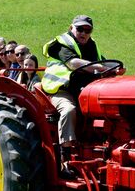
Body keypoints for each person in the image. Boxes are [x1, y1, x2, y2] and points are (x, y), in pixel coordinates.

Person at [41, 15, 106, 177]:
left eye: (87, 30)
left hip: (83, 90)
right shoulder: (62, 43)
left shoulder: (92, 46)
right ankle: (65, 159)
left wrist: (116, 68)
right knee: (69, 110)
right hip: (59, 89)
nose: (83, 33)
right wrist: (102, 68)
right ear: (71, 28)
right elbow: (73, 63)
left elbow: (104, 63)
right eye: (80, 29)